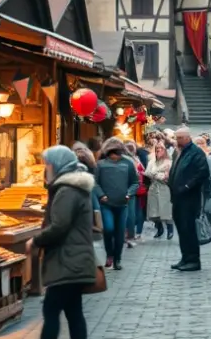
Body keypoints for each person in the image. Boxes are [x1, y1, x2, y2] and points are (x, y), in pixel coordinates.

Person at [29, 146, 97, 339]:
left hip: (67, 261)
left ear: (56, 165)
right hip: (72, 260)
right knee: (73, 311)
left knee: (51, 310)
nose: (45, 168)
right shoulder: (71, 187)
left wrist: (35, 240)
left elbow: (59, 226)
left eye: (47, 164)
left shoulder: (67, 190)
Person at [168, 127, 210, 272]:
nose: (177, 140)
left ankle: (193, 260)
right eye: (176, 137)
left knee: (188, 229)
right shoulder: (180, 152)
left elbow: (202, 173)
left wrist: (186, 186)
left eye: (179, 138)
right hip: (178, 198)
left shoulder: (195, 152)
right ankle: (185, 257)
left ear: (187, 138)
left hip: (189, 198)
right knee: (182, 229)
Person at [94, 138, 138, 270]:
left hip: (122, 204)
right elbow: (95, 182)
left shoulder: (128, 164)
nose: (115, 156)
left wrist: (129, 194)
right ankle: (109, 255)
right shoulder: (100, 164)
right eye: (112, 153)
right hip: (106, 203)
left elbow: (135, 182)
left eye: (117, 153)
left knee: (119, 233)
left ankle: (117, 259)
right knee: (108, 228)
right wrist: (102, 195)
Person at [144, 143, 175, 239]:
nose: (159, 150)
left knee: (166, 210)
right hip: (153, 188)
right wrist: (159, 174)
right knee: (154, 211)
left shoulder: (169, 162)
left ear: (164, 150)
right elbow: (147, 173)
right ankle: (159, 228)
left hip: (164, 188)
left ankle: (170, 229)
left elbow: (168, 176)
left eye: (161, 148)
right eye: (157, 148)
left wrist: (157, 175)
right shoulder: (151, 162)